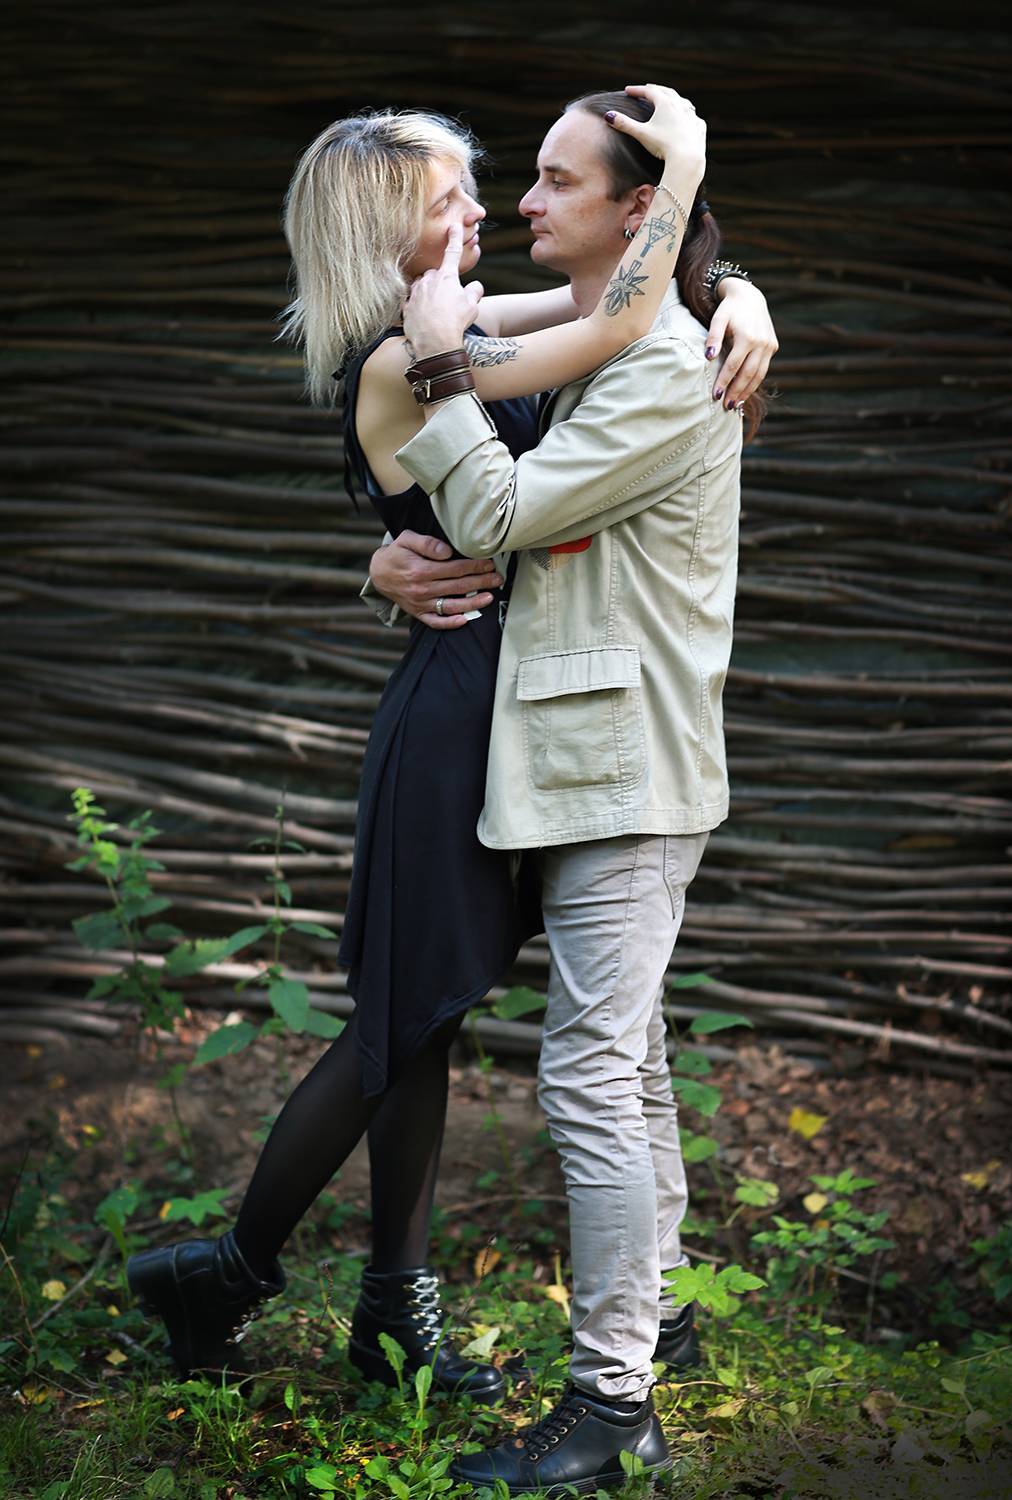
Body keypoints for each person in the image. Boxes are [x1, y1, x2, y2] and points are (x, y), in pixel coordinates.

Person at [125, 88, 769, 1403]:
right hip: (455, 723)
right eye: (451, 197)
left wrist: (740, 291)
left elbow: (622, 313)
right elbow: (610, 332)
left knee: (427, 1022)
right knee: (402, 1022)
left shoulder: (460, 327)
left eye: (497, 184)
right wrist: (690, 194)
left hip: (510, 705)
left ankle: (387, 1313)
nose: (488, 209)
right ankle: (232, 1272)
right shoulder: (398, 356)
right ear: (386, 230)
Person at [376, 85, 774, 1491]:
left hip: (625, 770)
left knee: (589, 1076)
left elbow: (496, 512)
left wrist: (439, 359)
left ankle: (610, 1406)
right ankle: (656, 1324)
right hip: (594, 763)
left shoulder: (662, 365)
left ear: (636, 207)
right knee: (632, 1062)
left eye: (556, 180)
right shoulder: (616, 336)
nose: (526, 202)